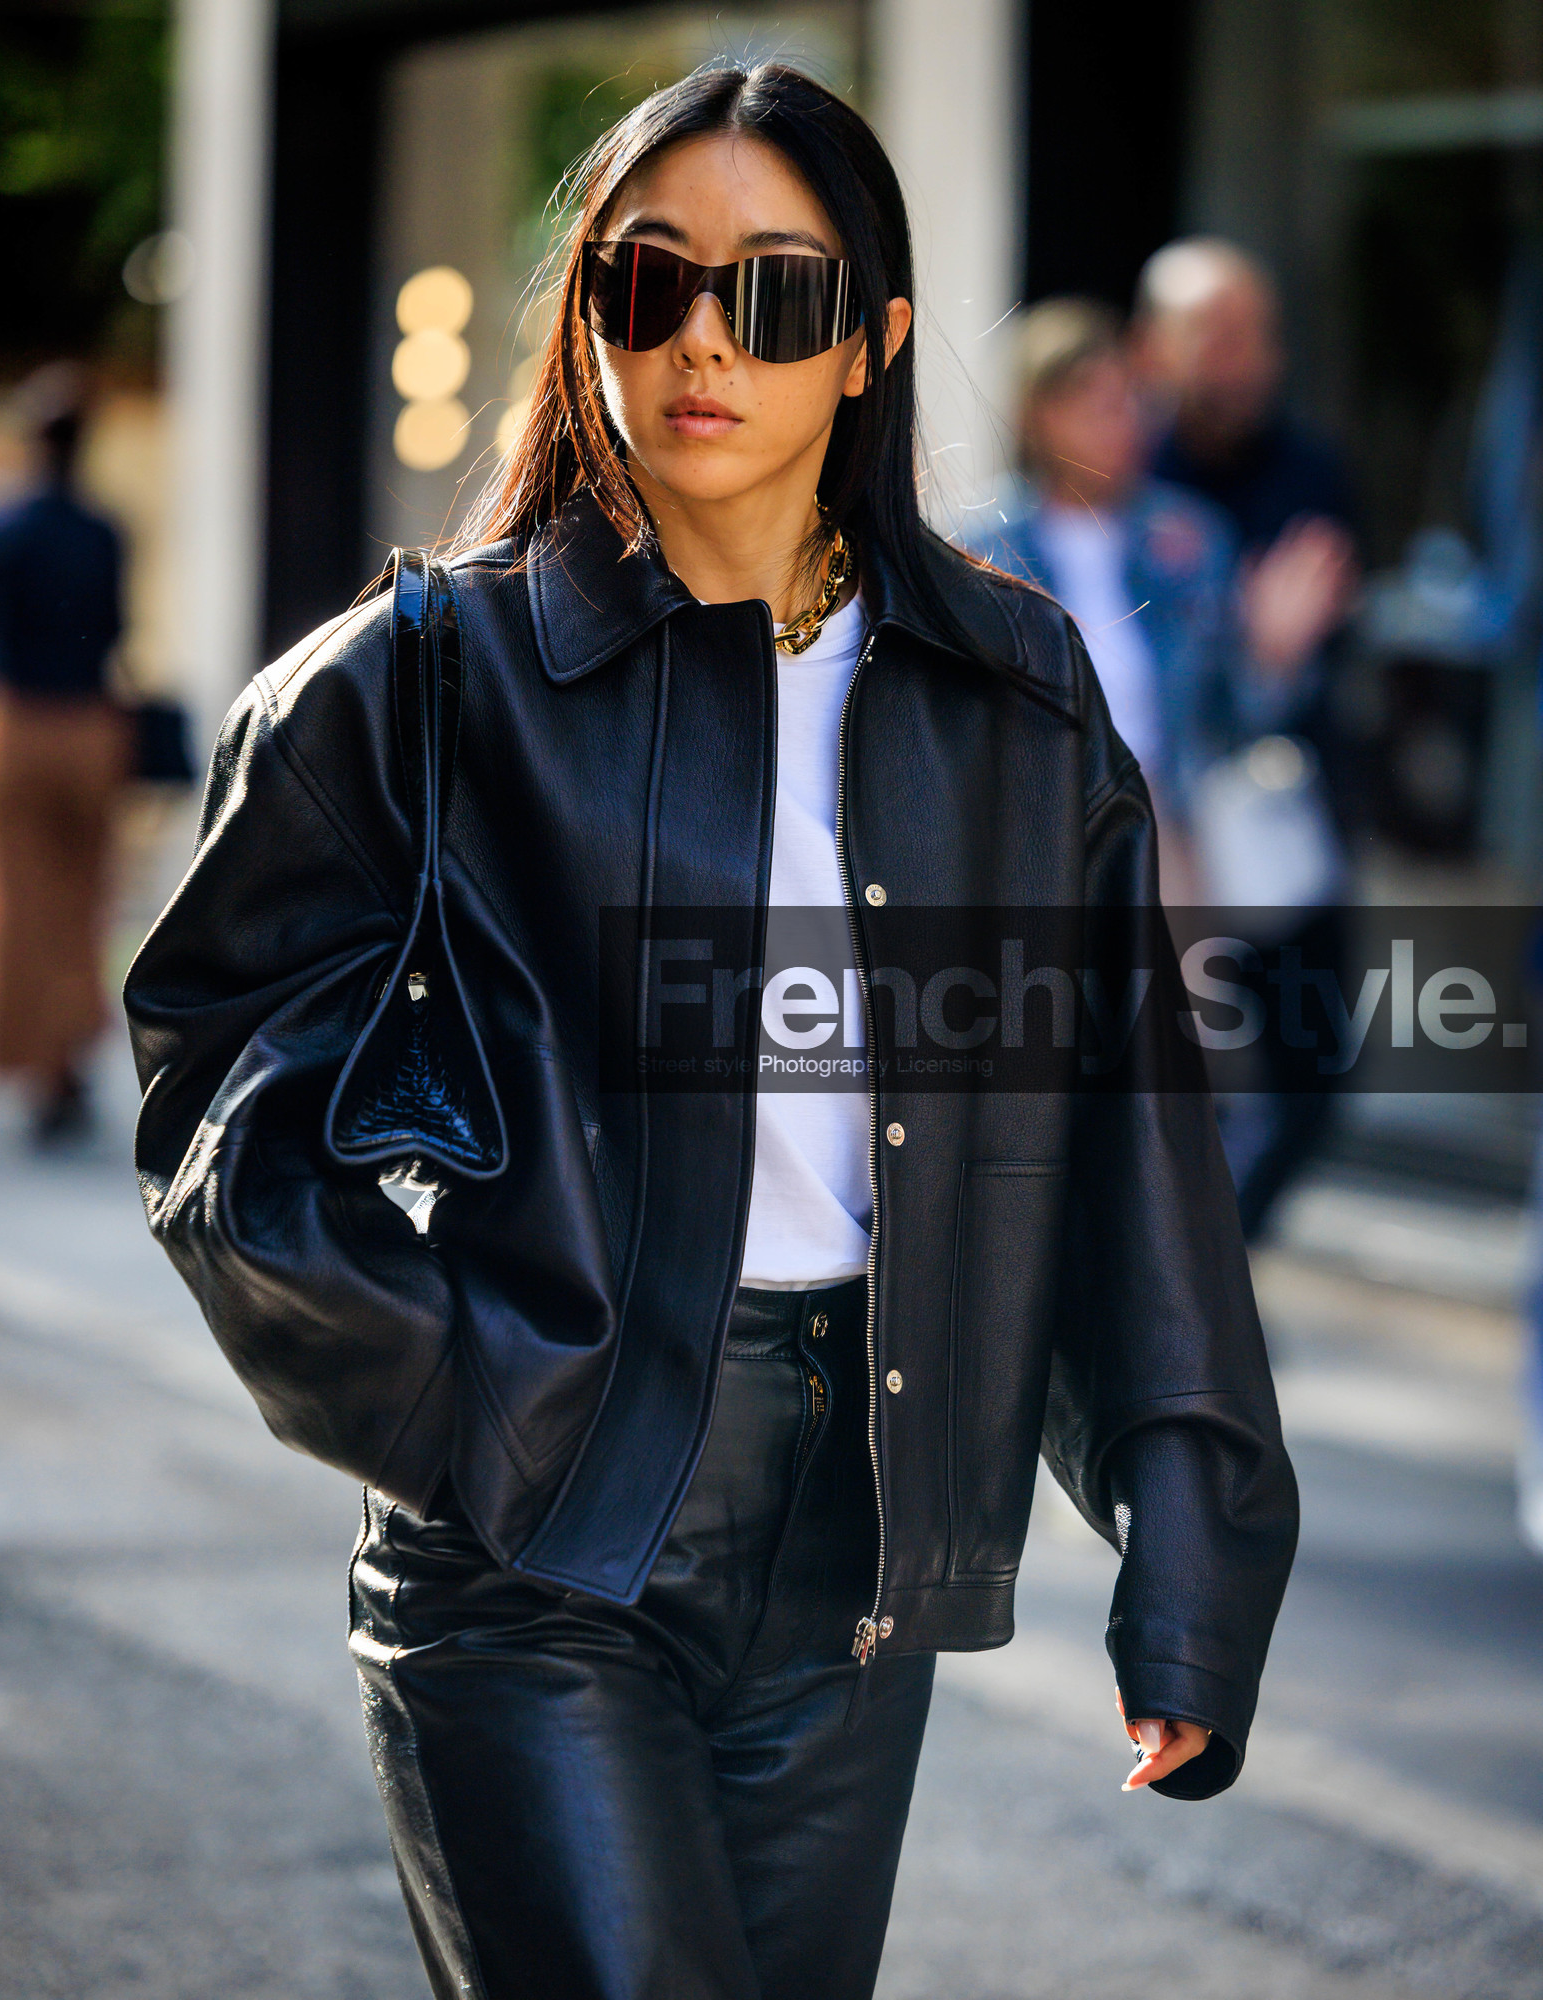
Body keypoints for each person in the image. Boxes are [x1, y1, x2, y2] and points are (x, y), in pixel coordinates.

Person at [123, 65, 1299, 2000]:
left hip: (859, 1569)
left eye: (773, 295)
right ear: (586, 313)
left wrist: (1190, 1557)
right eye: (645, 281)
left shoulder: (1012, 693)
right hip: (536, 1557)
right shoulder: (424, 678)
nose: (700, 341)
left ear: (872, 344)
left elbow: (1123, 1135)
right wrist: (457, 1399)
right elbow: (213, 1101)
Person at [1135, 239, 1360, 1240]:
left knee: (1312, 1075)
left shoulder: (1312, 469)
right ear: (1155, 345)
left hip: (1278, 822)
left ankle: (1205, 1279)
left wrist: (1275, 661)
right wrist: (1247, 644)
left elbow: (1329, 636)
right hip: (1155, 833)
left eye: (1255, 333)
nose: (1241, 357)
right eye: (1213, 332)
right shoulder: (1122, 476)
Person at [965, 297, 1243, 902]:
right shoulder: (981, 548)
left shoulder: (1188, 539)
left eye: (1131, 399)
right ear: (1039, 414)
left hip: (1160, 820)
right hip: (1026, 831)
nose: (1123, 422)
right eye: (1095, 404)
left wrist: (1271, 656)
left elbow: (1234, 709)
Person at [0, 366, 131, 1143]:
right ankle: (66, 1058)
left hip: (16, 722)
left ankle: (33, 1064)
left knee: (14, 898)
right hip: (91, 724)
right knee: (82, 900)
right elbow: (116, 629)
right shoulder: (103, 531)